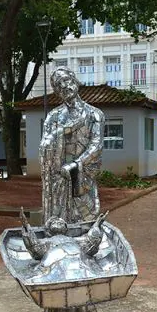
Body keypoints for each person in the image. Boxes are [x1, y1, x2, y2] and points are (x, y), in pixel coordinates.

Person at [39, 67, 103, 223]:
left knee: (87, 218)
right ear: (57, 92)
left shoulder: (94, 114)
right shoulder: (53, 116)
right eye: (58, 86)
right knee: (59, 221)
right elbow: (44, 146)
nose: (64, 87)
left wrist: (75, 165)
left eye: (66, 81)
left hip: (83, 175)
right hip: (59, 177)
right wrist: (62, 131)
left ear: (75, 81)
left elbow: (96, 145)